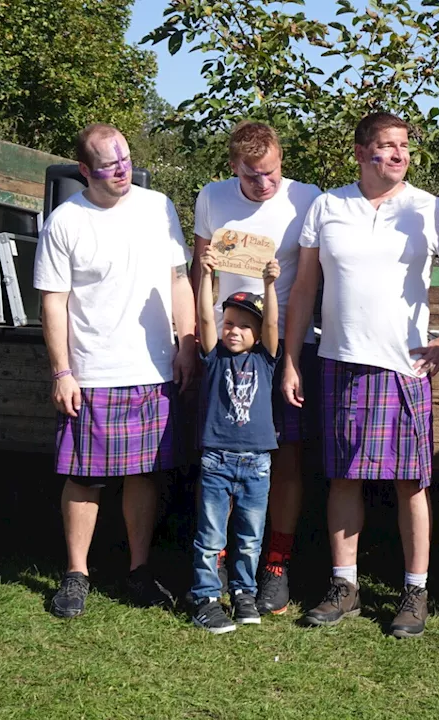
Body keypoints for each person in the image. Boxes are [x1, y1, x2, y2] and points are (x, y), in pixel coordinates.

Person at [282, 112, 439, 638]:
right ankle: (344, 585)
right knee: (343, 476)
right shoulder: (327, 207)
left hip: (406, 365)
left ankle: (415, 591)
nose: (398, 155)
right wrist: (289, 357)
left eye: (403, 147)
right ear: (360, 152)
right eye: (386, 146)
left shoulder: (427, 208)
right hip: (341, 361)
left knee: (410, 482)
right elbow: (305, 289)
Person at [34, 123, 197, 619]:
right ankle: (76, 574)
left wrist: (186, 343)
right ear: (85, 170)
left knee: (144, 474)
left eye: (125, 158)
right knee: (85, 476)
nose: (122, 169)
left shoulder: (158, 206)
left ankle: (140, 570)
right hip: (93, 370)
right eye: (109, 164)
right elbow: (54, 302)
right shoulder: (65, 220)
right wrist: (62, 371)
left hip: (151, 366)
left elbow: (178, 280)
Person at [191, 122, 322, 616]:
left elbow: (313, 277)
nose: (263, 184)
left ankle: (276, 565)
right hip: (225, 348)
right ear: (233, 167)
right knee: (221, 454)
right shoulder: (211, 197)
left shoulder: (306, 199)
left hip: (285, 349)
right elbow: (200, 268)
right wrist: (194, 340)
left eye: (270, 173)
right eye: (251, 175)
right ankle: (220, 560)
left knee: (284, 458)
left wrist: (290, 358)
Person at [186, 248, 282, 634]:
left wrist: (269, 285)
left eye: (244, 325)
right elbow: (204, 317)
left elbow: (275, 322)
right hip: (216, 460)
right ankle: (206, 598)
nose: (233, 330)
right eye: (230, 323)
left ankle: (244, 593)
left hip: (257, 462)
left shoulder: (266, 359)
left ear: (257, 334)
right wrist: (206, 276)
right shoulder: (213, 357)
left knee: (249, 537)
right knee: (211, 535)